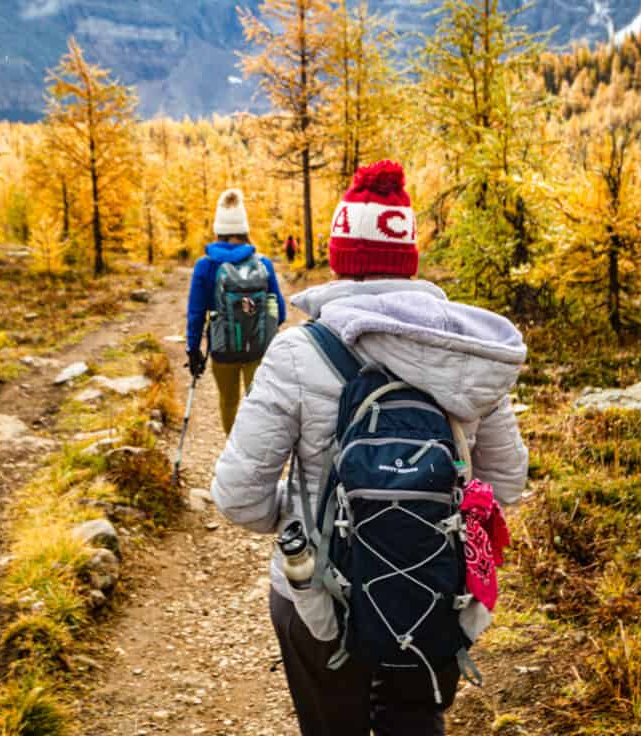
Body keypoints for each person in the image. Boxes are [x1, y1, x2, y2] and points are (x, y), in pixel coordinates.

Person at [212, 160, 529, 736]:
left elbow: (238, 497)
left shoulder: (295, 354)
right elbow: (505, 484)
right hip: (435, 585)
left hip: (318, 596)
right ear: (409, 259)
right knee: (416, 722)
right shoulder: (463, 354)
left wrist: (315, 512)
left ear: (339, 255)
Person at [186, 187, 286, 434]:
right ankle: (257, 455)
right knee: (258, 404)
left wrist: (193, 350)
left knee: (229, 402)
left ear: (218, 230)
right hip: (258, 349)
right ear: (244, 230)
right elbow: (281, 312)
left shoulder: (206, 265)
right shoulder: (262, 263)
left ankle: (233, 451)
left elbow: (196, 314)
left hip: (223, 349)